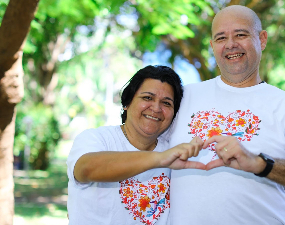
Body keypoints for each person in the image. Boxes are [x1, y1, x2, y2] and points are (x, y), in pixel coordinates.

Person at [166, 5, 285, 225]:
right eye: (221, 38)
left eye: (241, 34)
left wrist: (260, 163)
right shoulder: (183, 97)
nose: (231, 44)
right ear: (212, 46)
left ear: (262, 39)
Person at [66, 65, 205, 225]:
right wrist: (159, 159)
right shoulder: (97, 138)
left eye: (166, 103)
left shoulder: (174, 152)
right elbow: (86, 168)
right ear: (127, 102)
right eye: (147, 98)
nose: (156, 108)